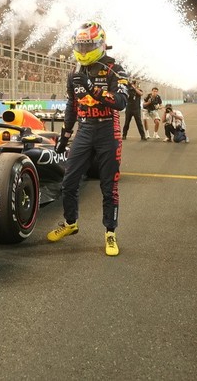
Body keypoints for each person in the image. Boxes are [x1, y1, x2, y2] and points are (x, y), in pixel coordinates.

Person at [48, 21, 129, 257]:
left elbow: (121, 103)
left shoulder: (116, 68)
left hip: (108, 131)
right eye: (80, 47)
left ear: (101, 44)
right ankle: (70, 223)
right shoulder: (73, 71)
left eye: (88, 46)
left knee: (108, 186)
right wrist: (65, 134)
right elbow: (71, 105)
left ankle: (110, 233)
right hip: (83, 130)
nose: (83, 52)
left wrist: (92, 87)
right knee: (68, 182)